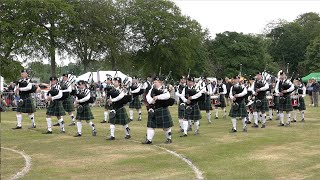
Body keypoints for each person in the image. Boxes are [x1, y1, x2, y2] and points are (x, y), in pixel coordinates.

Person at [142, 76, 174, 144]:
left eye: (156, 82)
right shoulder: (152, 89)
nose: (154, 83)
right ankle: (149, 140)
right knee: (150, 126)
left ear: (160, 82)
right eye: (154, 82)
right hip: (153, 109)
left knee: (166, 127)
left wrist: (157, 97)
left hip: (162, 109)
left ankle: (169, 138)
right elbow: (147, 96)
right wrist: (151, 101)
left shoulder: (164, 89)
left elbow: (167, 96)